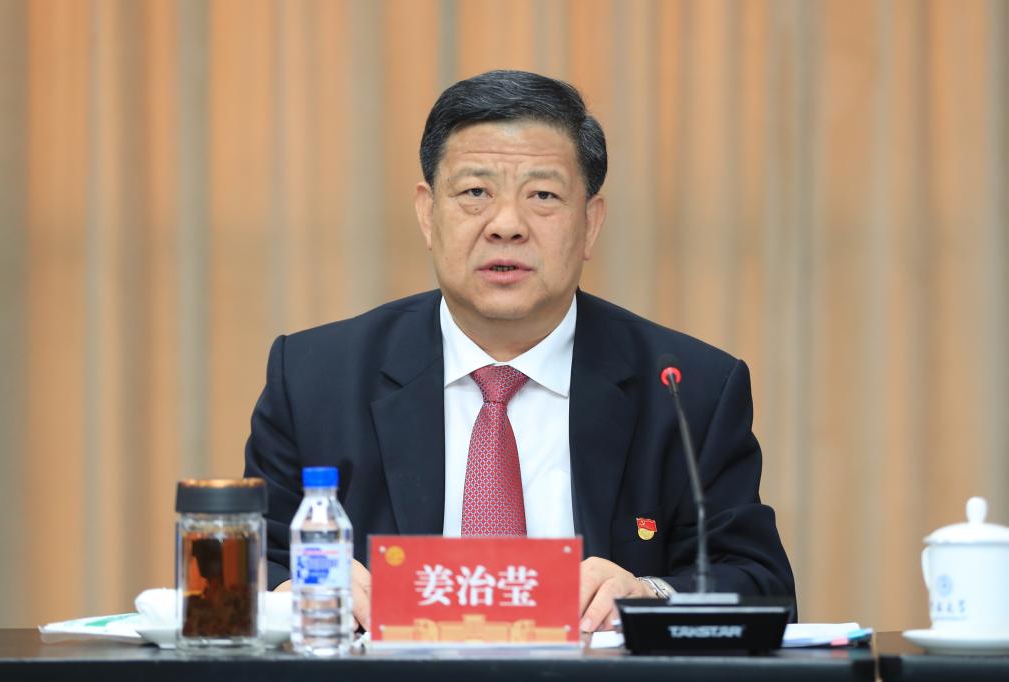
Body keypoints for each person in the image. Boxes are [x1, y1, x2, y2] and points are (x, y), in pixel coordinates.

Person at [244, 69, 795, 633]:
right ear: (428, 214)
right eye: (475, 193)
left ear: (591, 224)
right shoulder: (315, 379)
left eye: (543, 196)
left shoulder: (686, 388)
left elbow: (758, 581)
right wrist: (299, 591)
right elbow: (249, 568)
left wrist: (647, 595)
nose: (506, 225)